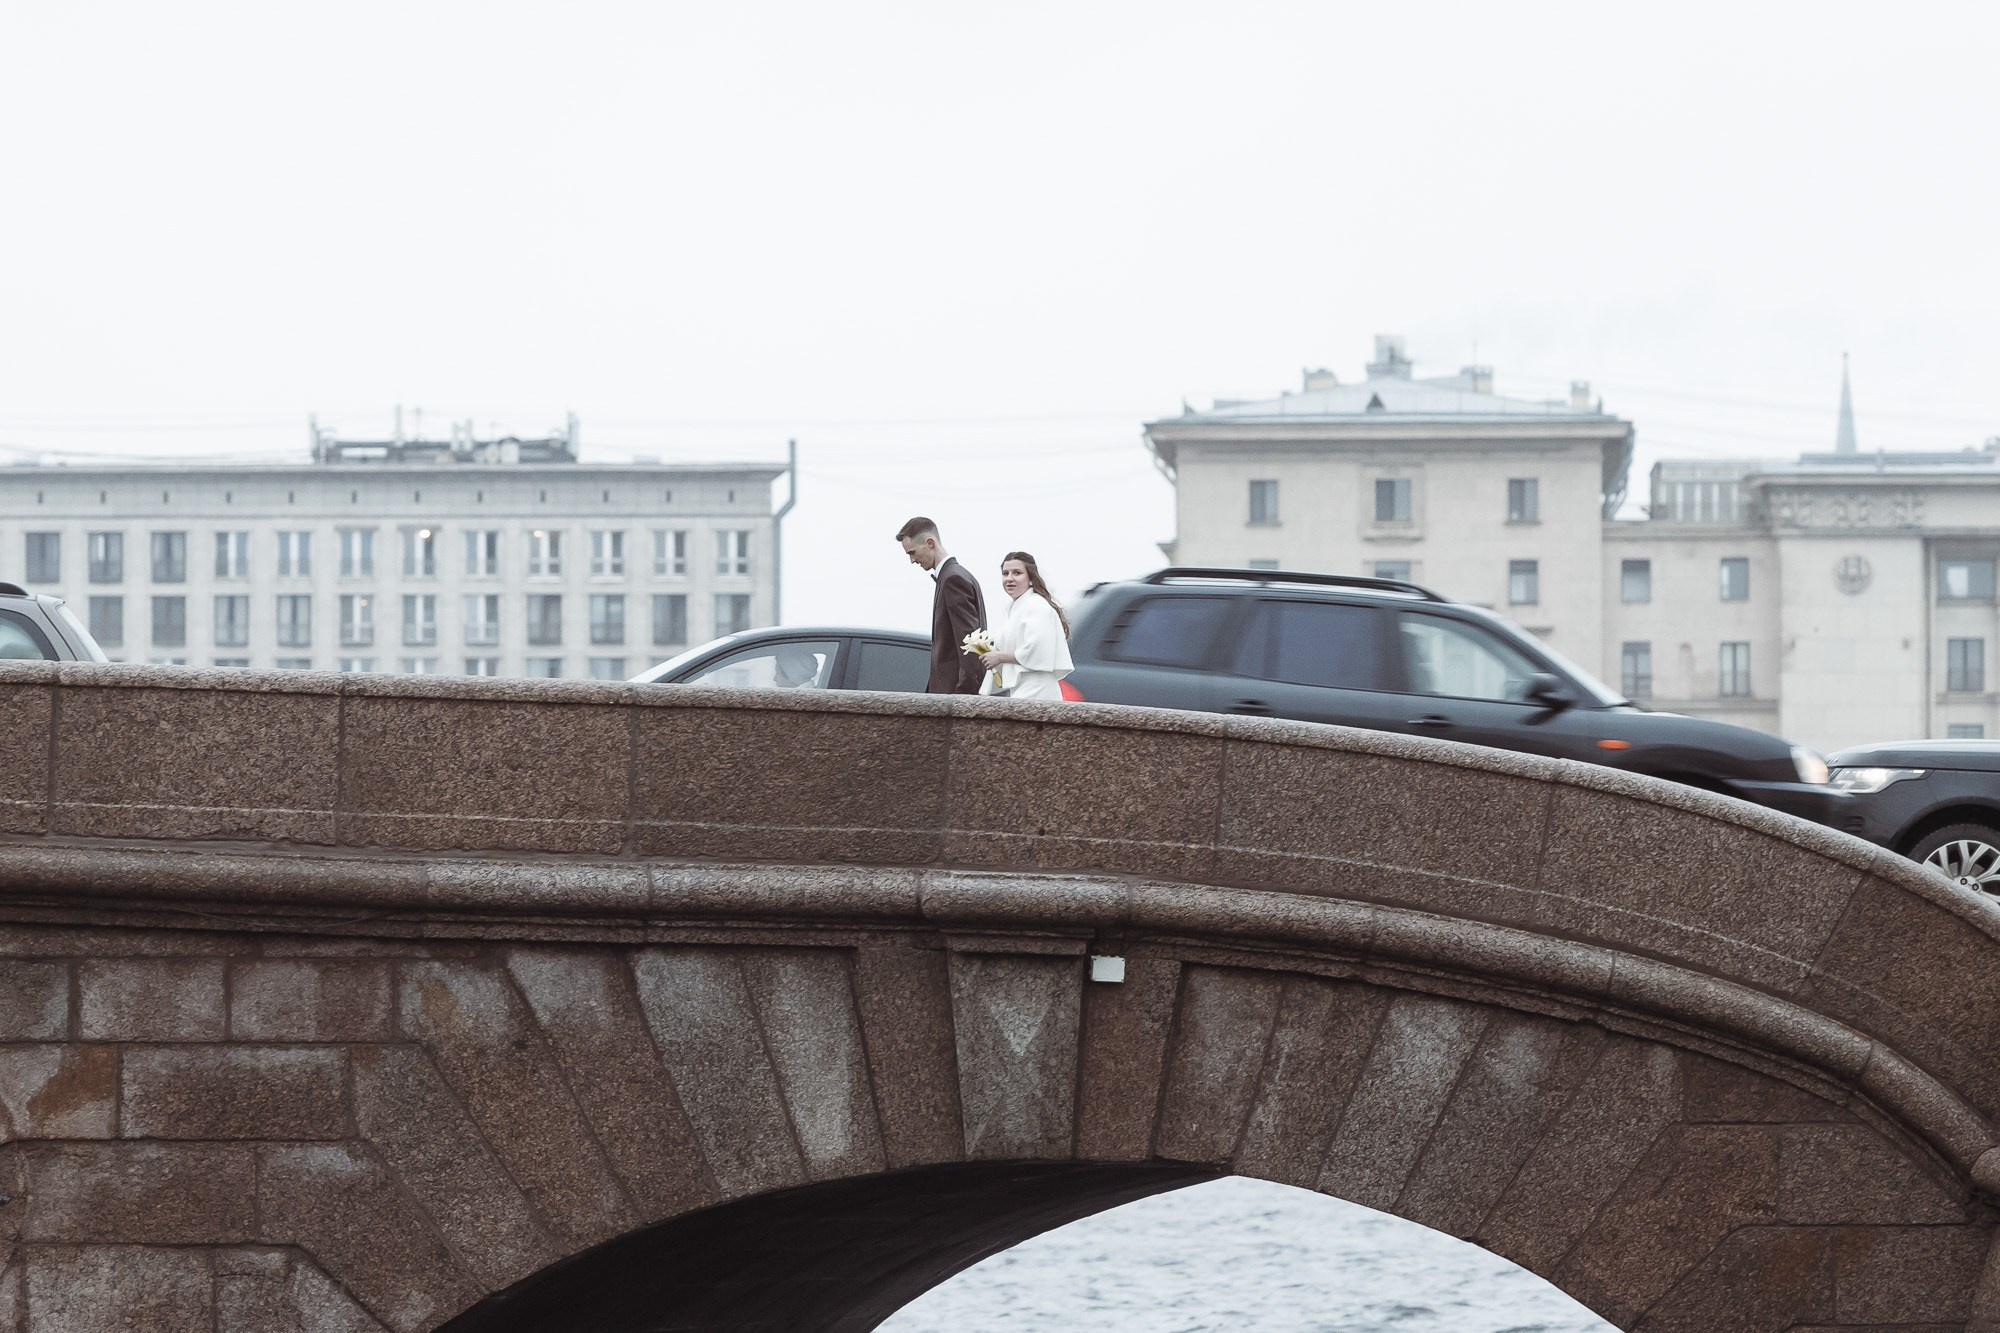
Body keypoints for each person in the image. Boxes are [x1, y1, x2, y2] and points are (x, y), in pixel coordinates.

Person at [896, 516, 987, 694]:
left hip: (953, 696)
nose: (912, 561)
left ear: (930, 543)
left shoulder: (953, 579)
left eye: (912, 553)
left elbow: (971, 642)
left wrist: (964, 693)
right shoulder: (956, 575)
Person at [976, 551, 1074, 700]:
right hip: (1021, 687)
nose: (1009, 578)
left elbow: (1037, 649)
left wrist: (999, 656)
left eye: (1017, 573)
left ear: (1030, 578)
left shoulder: (1037, 605)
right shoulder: (1014, 610)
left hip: (1038, 687)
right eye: (1005, 573)